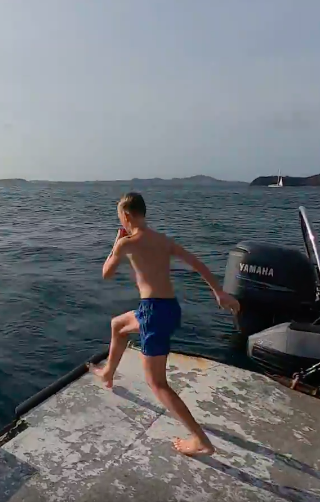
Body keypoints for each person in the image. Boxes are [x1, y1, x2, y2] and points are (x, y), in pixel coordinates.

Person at [88, 192, 240, 457]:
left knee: (157, 384)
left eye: (120, 217)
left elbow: (106, 273)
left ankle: (200, 439)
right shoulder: (163, 240)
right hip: (168, 308)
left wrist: (116, 244)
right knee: (117, 325)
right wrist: (219, 292)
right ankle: (108, 373)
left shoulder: (128, 243)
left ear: (125, 216)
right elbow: (197, 264)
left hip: (153, 313)